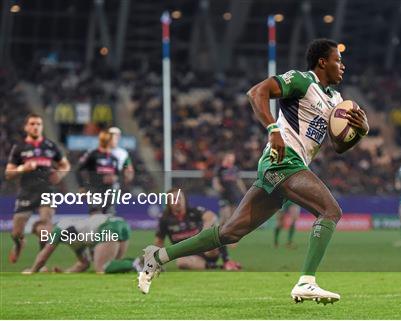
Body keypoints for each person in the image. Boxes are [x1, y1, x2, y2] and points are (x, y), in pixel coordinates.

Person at [137, 39, 369, 304]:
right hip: (283, 161)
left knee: (229, 233)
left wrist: (361, 131)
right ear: (322, 62)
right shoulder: (302, 81)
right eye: (338, 60)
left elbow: (338, 145)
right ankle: (307, 281)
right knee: (330, 211)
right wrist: (273, 130)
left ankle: (156, 257)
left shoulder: (336, 100)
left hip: (288, 166)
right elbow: (256, 92)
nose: (343, 65)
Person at [5, 113, 71, 263]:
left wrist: (60, 175)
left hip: (47, 191)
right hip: (26, 192)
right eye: (33, 124)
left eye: (39, 124)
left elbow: (65, 165)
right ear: (26, 127)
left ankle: (40, 263)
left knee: (45, 231)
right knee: (16, 233)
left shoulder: (51, 146)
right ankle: (19, 244)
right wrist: (23, 168)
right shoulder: (19, 148)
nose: (36, 127)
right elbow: (8, 173)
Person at [155, 188, 241, 270]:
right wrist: (157, 263)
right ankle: (220, 267)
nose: (177, 202)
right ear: (168, 203)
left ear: (185, 199)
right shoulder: (164, 219)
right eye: (174, 199)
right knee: (181, 262)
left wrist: (204, 232)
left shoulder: (194, 211)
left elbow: (211, 216)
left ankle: (227, 260)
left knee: (214, 224)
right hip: (187, 255)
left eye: (180, 198)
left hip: (206, 251)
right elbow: (159, 242)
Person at [23, 214, 133, 274]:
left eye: (43, 230)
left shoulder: (59, 229)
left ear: (49, 225)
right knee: (115, 267)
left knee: (101, 268)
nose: (44, 235)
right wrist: (65, 273)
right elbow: (84, 264)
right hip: (119, 223)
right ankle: (142, 262)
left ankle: (139, 263)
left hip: (107, 226)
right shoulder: (72, 238)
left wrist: (32, 270)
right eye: (40, 234)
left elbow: (44, 255)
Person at [77, 130, 120, 214]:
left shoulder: (113, 158)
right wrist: (81, 186)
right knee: (95, 214)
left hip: (108, 192)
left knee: (109, 215)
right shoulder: (93, 155)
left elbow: (117, 174)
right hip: (95, 190)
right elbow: (79, 170)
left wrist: (114, 178)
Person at [212, 152, 246, 225]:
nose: (231, 160)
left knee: (232, 217)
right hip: (224, 194)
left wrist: (244, 191)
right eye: (229, 158)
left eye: (232, 158)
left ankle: (225, 233)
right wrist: (218, 187)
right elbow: (215, 180)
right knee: (225, 216)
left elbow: (238, 181)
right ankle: (216, 231)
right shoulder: (220, 169)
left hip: (234, 194)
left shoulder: (235, 169)